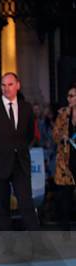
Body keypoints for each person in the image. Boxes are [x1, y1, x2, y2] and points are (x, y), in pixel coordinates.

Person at [0, 72, 39, 230]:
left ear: (18, 85)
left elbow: (30, 134)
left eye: (10, 84)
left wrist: (19, 147)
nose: (7, 88)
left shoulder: (26, 108)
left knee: (26, 204)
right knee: (2, 207)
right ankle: (9, 248)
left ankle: (38, 244)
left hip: (21, 163)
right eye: (3, 85)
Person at [52, 85, 76, 233]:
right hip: (66, 159)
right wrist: (62, 137)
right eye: (68, 96)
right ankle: (65, 231)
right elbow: (55, 134)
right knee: (65, 196)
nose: (69, 98)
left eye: (72, 96)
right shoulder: (62, 114)